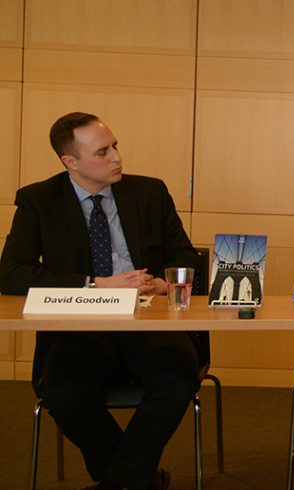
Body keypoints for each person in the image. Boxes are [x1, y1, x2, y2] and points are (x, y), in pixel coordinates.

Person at [0, 112, 202, 490]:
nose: (116, 158)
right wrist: (99, 284)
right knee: (62, 392)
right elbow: (12, 274)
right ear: (70, 162)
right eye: (102, 152)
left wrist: (161, 283)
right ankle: (137, 478)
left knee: (177, 379)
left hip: (147, 319)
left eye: (116, 146)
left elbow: (187, 259)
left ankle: (119, 482)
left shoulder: (149, 192)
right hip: (80, 325)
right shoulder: (38, 200)